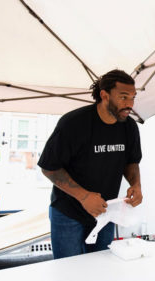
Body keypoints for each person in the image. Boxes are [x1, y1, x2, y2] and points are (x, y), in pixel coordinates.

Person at [38, 69, 142, 259]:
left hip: (105, 212)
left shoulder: (129, 127)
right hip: (68, 213)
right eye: (123, 97)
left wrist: (136, 184)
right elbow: (49, 167)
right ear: (104, 95)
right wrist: (84, 197)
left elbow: (131, 161)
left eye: (133, 97)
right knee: (69, 272)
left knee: (100, 271)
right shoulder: (73, 123)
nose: (130, 104)